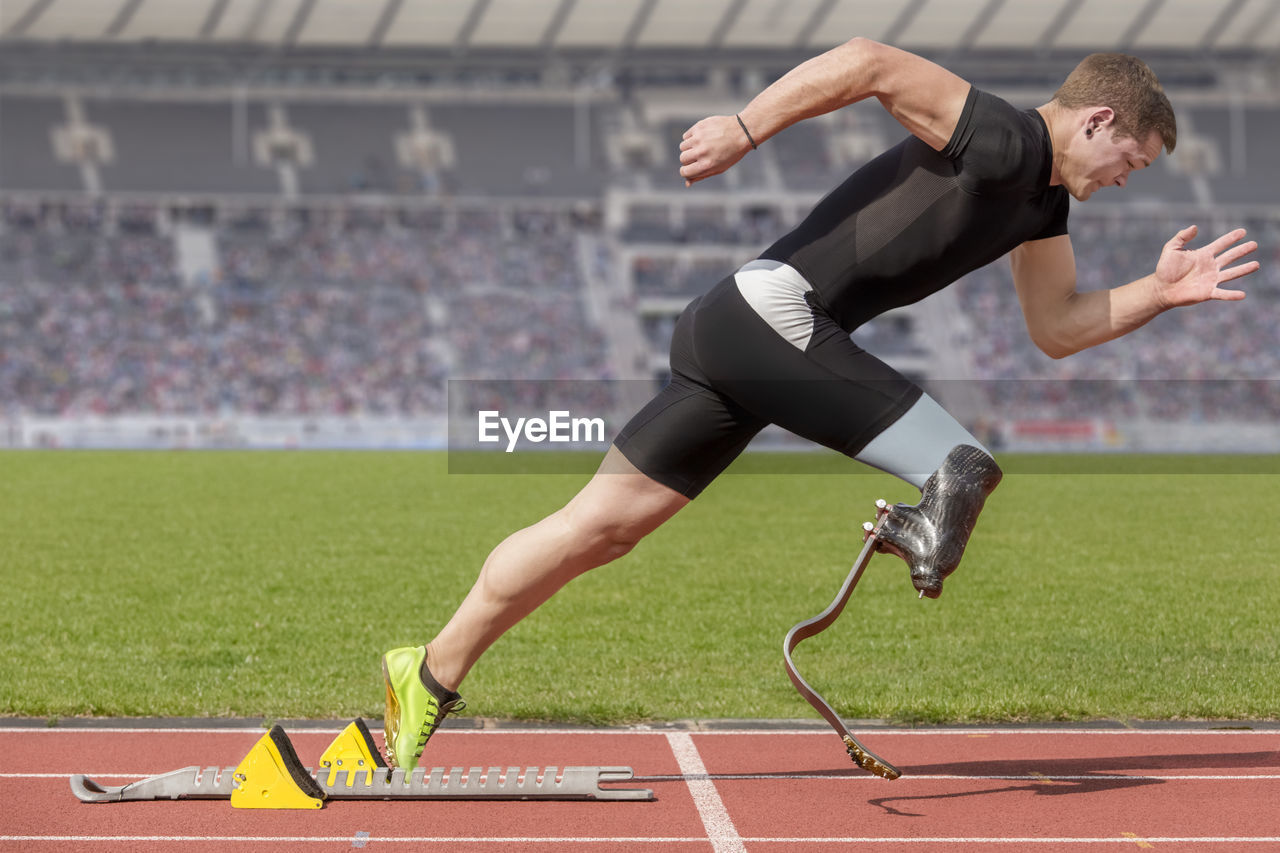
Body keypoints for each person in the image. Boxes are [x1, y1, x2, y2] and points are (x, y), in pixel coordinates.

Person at [380, 40, 1260, 770]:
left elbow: (1058, 328)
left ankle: (425, 673)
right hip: (772, 314)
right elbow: (872, 62)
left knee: (601, 527)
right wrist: (742, 126)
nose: (1124, 180)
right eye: (1129, 162)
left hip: (743, 334)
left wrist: (1156, 290)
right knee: (961, 466)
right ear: (1100, 119)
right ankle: (910, 525)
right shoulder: (1004, 136)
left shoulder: (1042, 205)